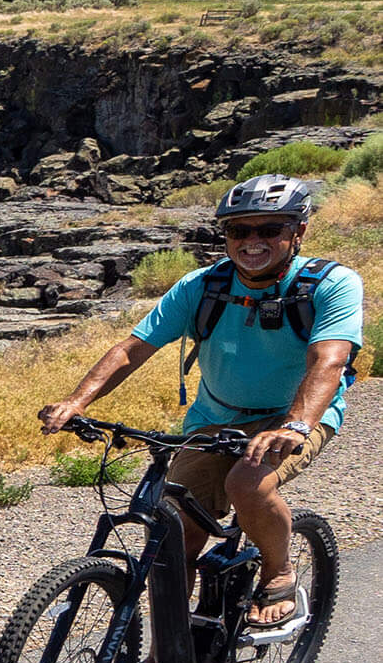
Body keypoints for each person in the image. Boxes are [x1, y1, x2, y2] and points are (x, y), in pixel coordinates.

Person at [40, 173, 362, 633]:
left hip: (296, 416)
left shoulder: (330, 284)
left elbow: (328, 362)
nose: (252, 241)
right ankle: (165, 655)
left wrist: (295, 426)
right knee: (173, 535)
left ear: (298, 232)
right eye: (238, 231)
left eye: (268, 229)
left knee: (248, 484)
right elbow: (134, 348)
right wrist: (76, 401)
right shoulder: (202, 286)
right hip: (215, 417)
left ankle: (279, 571)